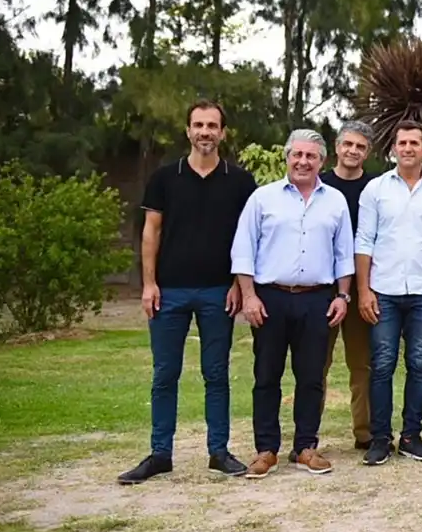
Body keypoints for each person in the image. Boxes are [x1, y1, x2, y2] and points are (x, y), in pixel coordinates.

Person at [119, 100, 257, 484]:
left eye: (212, 126)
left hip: (219, 292)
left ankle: (219, 451)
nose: (205, 132)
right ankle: (160, 454)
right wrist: (149, 283)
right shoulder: (165, 178)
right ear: (188, 131)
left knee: (216, 374)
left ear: (223, 133)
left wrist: (238, 285)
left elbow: (248, 237)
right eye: (198, 125)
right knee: (165, 374)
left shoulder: (240, 181)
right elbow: (151, 232)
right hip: (169, 292)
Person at [230, 130, 354, 478]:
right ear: (287, 157)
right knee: (267, 375)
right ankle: (266, 449)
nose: (303, 161)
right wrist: (249, 295)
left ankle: (305, 447)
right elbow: (243, 249)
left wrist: (343, 295)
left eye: (311, 156)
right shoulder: (263, 198)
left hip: (317, 299)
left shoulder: (335, 201)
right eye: (297, 155)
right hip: (270, 298)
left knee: (312, 376)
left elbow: (344, 253)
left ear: (322, 161)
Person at [354, 120, 422, 465]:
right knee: (382, 364)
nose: (408, 148)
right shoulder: (376, 189)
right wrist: (363, 290)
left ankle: (411, 436)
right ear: (393, 148)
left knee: (418, 363)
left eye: (415, 143)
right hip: (383, 290)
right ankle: (380, 438)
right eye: (402, 143)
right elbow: (364, 241)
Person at [320, 120, 378, 450]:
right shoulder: (319, 185)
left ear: (367, 152)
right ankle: (307, 434)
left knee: (362, 363)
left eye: (360, 147)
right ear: (337, 147)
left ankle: (365, 432)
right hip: (322, 286)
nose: (353, 151)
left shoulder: (376, 189)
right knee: (317, 363)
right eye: (348, 144)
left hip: (363, 287)